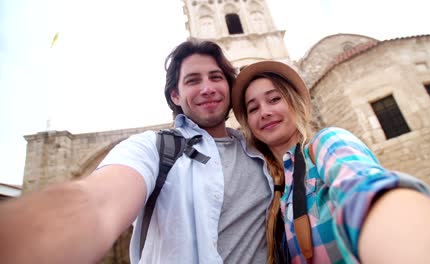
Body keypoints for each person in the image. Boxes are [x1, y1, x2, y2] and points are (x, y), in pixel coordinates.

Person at [0, 40, 273, 264]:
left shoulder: (263, 152)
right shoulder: (153, 148)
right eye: (192, 80)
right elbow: (98, 202)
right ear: (175, 96)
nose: (207, 88)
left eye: (216, 77)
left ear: (230, 86)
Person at [231, 60, 430, 264]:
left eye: (274, 99)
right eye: (253, 108)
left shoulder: (326, 143)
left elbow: (363, 187)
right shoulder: (277, 191)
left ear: (295, 103)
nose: (264, 112)